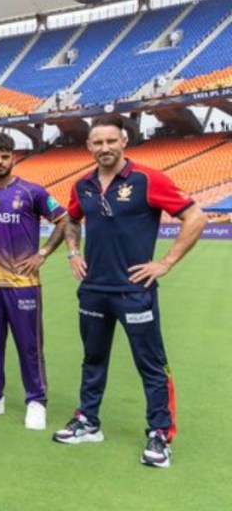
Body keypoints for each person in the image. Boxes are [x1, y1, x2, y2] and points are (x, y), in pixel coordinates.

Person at [53, 114, 206, 469]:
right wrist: (73, 251)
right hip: (93, 290)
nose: (104, 147)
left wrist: (166, 262)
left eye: (111, 141)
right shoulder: (82, 185)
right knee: (93, 359)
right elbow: (71, 219)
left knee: (151, 364)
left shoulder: (147, 179)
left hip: (134, 291)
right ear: (89, 146)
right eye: (98, 142)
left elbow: (195, 217)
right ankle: (88, 421)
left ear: (124, 141)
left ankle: (160, 433)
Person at [0, 133, 68, 430]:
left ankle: (36, 401)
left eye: (4, 156)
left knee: (29, 345)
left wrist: (43, 253)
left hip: (24, 284)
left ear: (13, 158)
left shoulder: (32, 192)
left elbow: (64, 220)